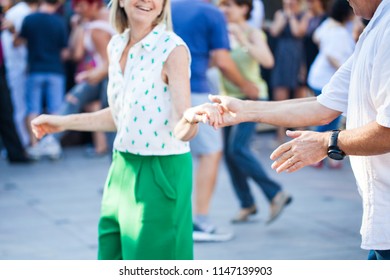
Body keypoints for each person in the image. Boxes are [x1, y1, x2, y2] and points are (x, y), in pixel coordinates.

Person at [31, 0, 222, 260]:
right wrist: (62, 122)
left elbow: (182, 125)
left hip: (161, 169)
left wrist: (191, 120)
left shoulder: (172, 48)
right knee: (111, 254)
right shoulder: (116, 44)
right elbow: (121, 115)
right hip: (121, 167)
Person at [209, 0, 390, 261]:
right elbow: (323, 105)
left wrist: (329, 142)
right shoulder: (375, 28)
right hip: (380, 219)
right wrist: (246, 110)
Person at [171, 0, 258, 242]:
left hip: (162, 89)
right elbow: (222, 60)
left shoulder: (165, 6)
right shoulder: (212, 13)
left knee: (174, 152)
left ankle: (172, 218)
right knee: (211, 152)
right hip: (194, 88)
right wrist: (247, 86)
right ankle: (199, 221)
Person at [218, 0, 291, 224]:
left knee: (238, 148)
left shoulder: (253, 32)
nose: (224, 9)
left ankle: (275, 193)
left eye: (229, 4)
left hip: (251, 98)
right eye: (221, 5)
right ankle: (247, 204)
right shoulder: (220, 30)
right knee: (230, 156)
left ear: (244, 8)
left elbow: (268, 61)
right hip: (227, 99)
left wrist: (243, 40)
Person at [27, 0, 116, 160]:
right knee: (74, 100)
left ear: (93, 5)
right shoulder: (93, 22)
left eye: (81, 6)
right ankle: (52, 138)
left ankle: (52, 138)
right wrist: (78, 26)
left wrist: (92, 75)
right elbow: (76, 51)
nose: (77, 10)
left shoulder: (98, 28)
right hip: (101, 76)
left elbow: (108, 63)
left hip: (106, 77)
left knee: (109, 121)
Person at [14, 0, 68, 151]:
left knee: (33, 109)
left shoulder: (29, 19)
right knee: (56, 109)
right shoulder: (59, 21)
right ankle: (52, 144)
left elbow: (17, 42)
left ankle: (34, 144)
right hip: (55, 70)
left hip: (35, 69)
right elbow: (64, 52)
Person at [307, 0, 355, 169]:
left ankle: (325, 156)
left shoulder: (328, 24)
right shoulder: (339, 32)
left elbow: (316, 37)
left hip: (318, 76)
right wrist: (347, 73)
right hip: (327, 80)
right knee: (328, 118)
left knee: (325, 118)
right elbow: (331, 56)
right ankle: (318, 155)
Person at [1, 0, 40, 148]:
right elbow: (13, 43)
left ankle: (25, 142)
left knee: (22, 106)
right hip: (17, 66)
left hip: (20, 66)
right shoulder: (20, 13)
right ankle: (23, 143)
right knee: (20, 106)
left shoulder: (19, 12)